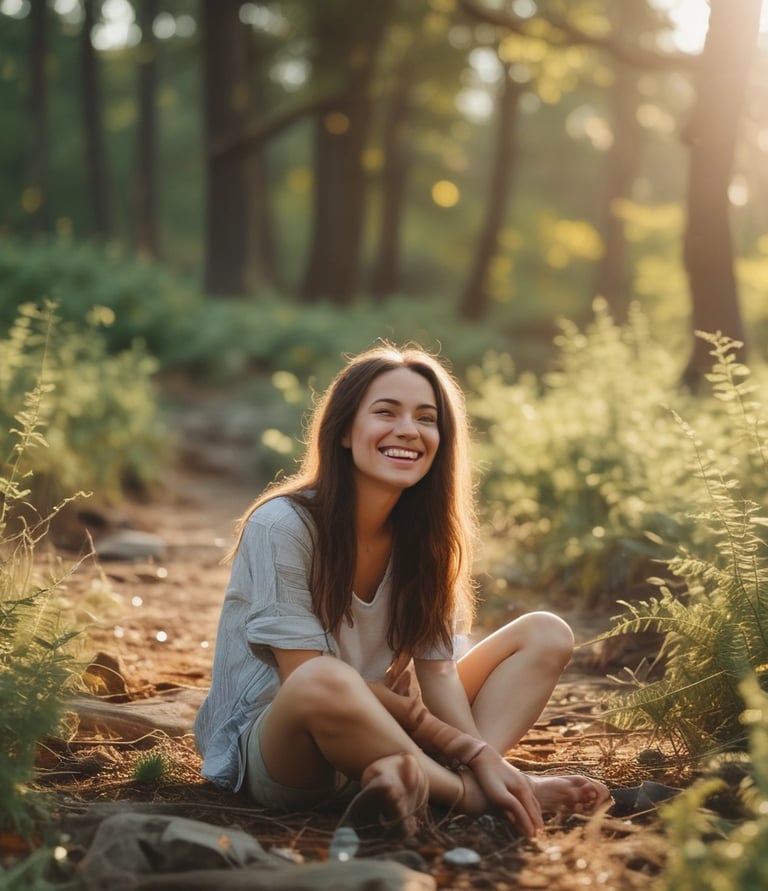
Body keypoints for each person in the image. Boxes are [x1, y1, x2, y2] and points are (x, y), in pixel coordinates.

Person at [194, 344, 611, 837]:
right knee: (323, 678)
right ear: (344, 431)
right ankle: (469, 796)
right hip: (287, 749)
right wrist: (466, 750)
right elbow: (306, 679)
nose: (409, 430)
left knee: (546, 632)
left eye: (426, 418)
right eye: (386, 412)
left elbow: (438, 672)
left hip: (389, 730)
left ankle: (439, 779)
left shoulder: (427, 536)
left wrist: (481, 755)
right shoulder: (282, 525)